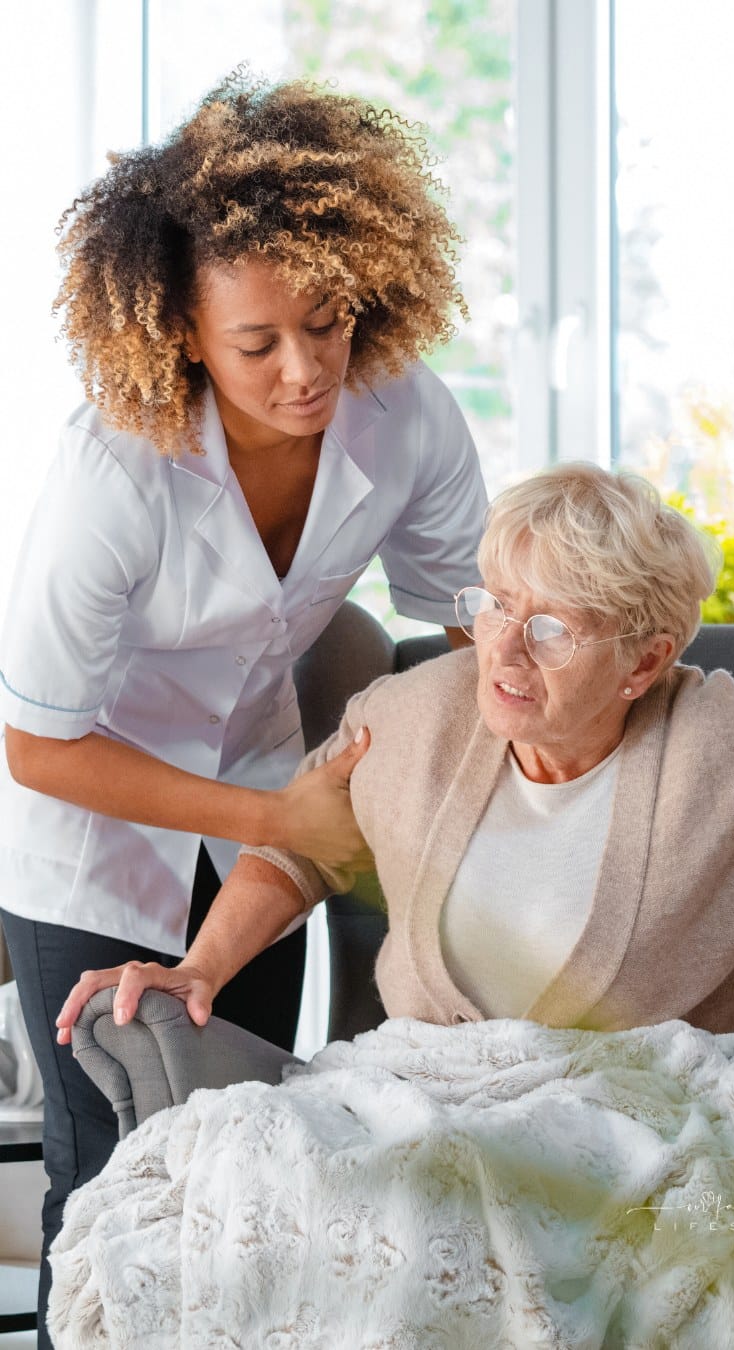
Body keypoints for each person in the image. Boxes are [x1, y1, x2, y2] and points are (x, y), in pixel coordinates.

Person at [0, 73, 486, 1345]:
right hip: (93, 832)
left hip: (268, 831)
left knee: (243, 1159)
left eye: (326, 325)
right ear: (181, 334)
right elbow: (37, 741)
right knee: (103, 1172)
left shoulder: (407, 411)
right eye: (259, 344)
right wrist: (283, 812)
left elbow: (468, 625)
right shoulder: (116, 468)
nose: (307, 370)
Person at [60, 461, 734, 1051]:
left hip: (668, 1134)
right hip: (435, 1119)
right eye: (496, 606)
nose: (500, 653)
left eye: (551, 630)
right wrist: (201, 969)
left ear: (644, 660)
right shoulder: (413, 714)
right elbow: (296, 844)